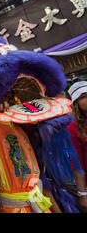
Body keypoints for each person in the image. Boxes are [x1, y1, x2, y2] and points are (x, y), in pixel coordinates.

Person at [67, 81, 87, 212]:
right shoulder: (72, 128)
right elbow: (77, 162)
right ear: (76, 103)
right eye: (83, 97)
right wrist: (83, 194)